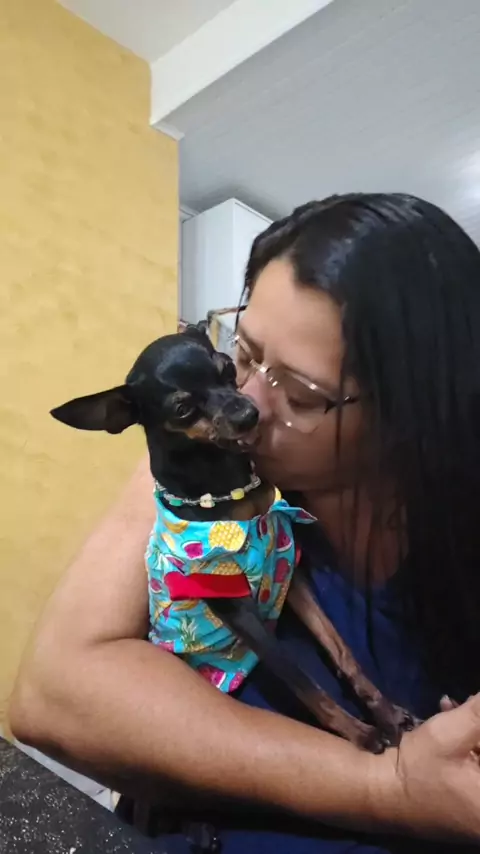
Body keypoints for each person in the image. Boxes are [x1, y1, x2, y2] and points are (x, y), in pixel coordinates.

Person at [10, 193, 480, 853]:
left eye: (302, 395)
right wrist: (385, 786)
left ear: (413, 415)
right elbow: (51, 696)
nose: (248, 401)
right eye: (244, 352)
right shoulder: (202, 470)